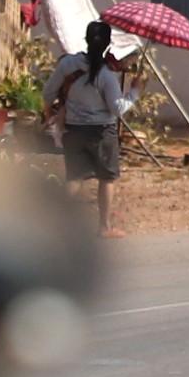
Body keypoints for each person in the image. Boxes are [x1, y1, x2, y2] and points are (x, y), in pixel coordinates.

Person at [46, 18, 132, 237]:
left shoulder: (68, 64)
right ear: (108, 44)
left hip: (72, 130)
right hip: (102, 132)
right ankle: (104, 227)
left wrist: (51, 115)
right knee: (107, 179)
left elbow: (48, 93)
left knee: (74, 178)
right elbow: (117, 108)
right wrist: (135, 92)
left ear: (85, 39)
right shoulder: (107, 75)